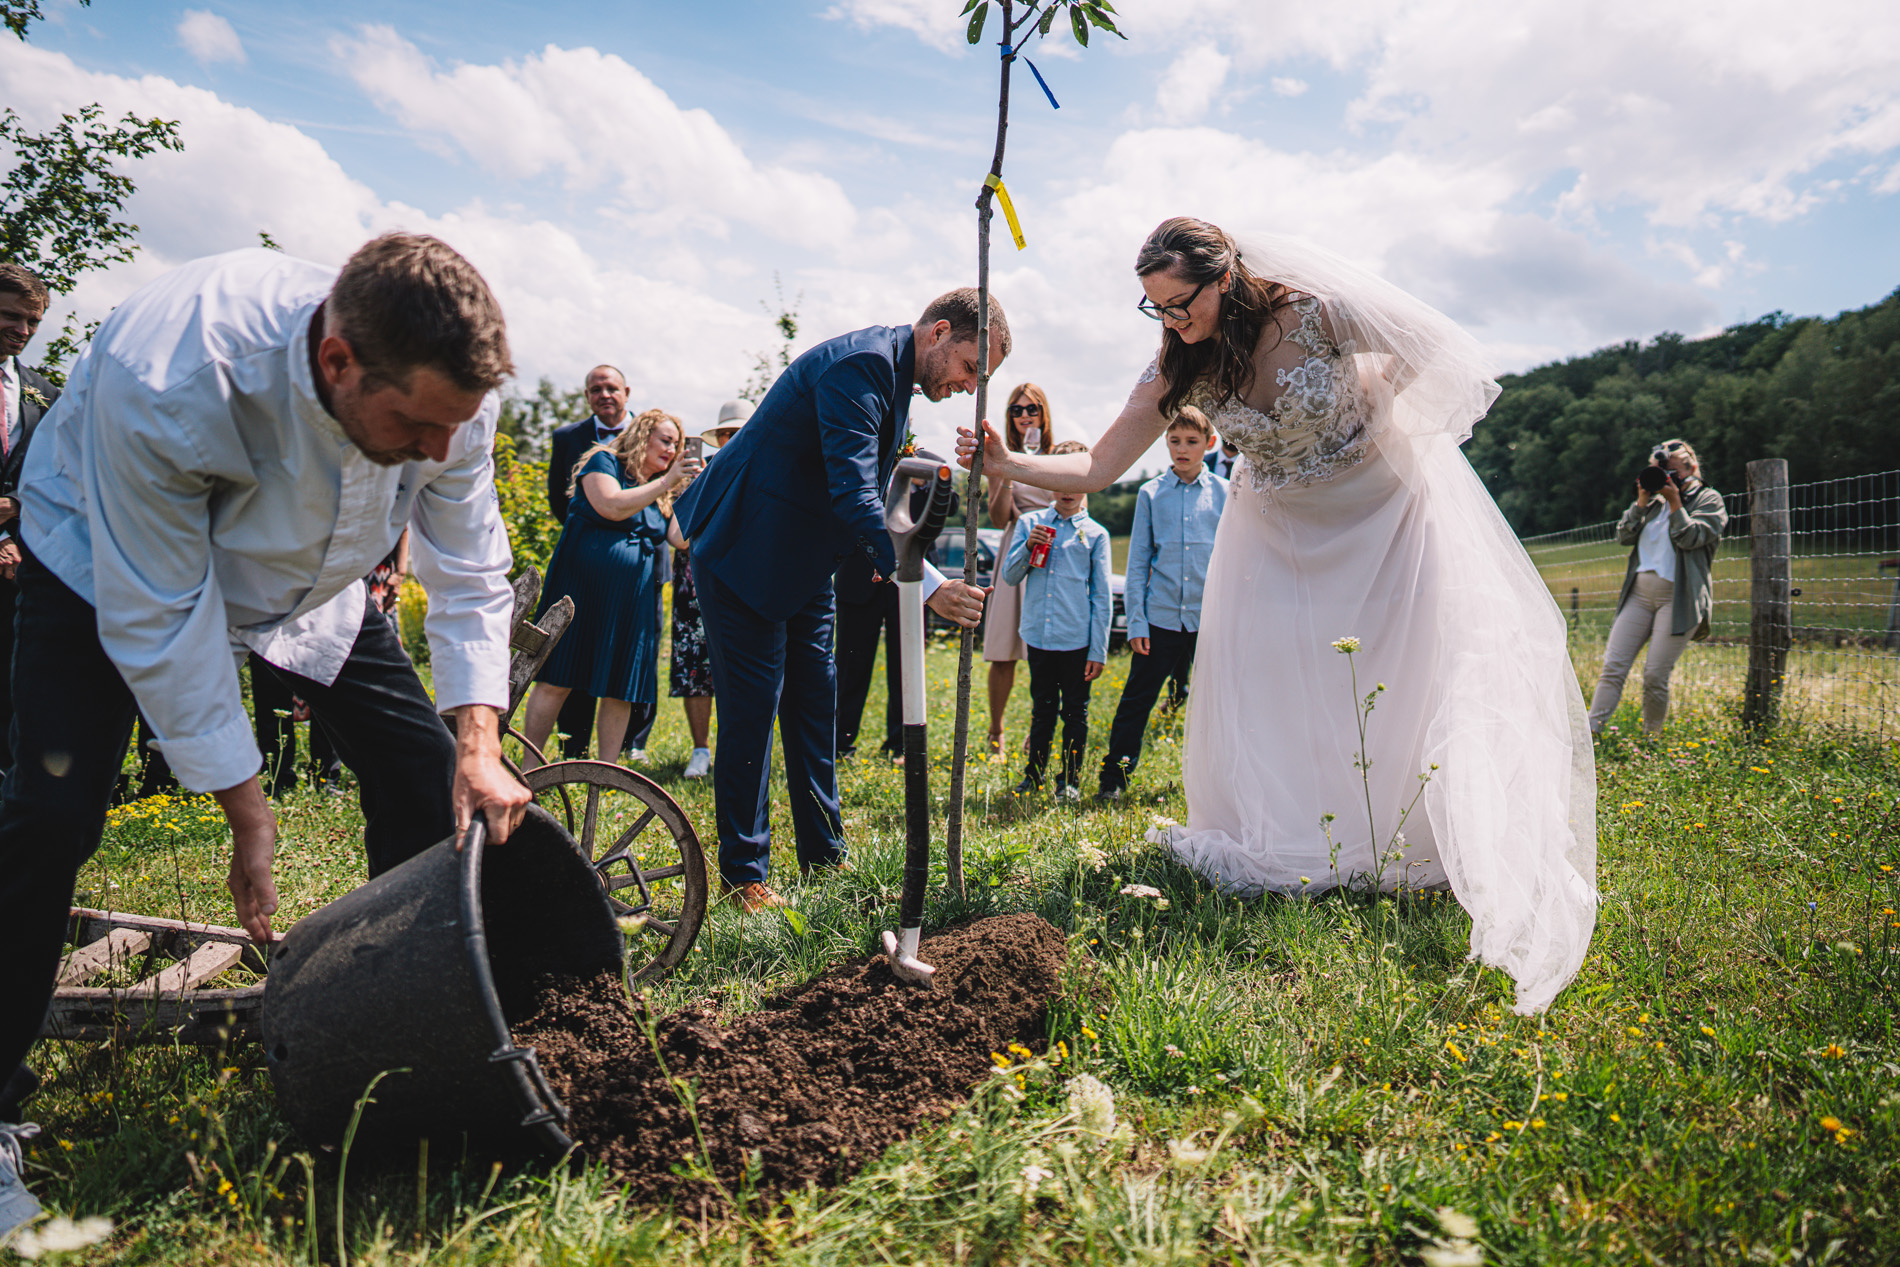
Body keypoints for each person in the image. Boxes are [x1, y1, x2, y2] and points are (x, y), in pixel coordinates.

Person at [0, 234, 531, 1235]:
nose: (435, 451)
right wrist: (249, 813)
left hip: (310, 584)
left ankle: (407, 1051)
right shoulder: (172, 376)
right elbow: (164, 612)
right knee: (50, 817)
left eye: (451, 429)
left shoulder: (450, 397)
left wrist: (478, 742)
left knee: (425, 776)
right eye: (414, 426)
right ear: (337, 360)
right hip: (102, 559)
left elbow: (468, 569)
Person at [959, 217, 1596, 1015]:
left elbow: (1437, 343)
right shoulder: (1178, 363)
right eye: (1156, 307)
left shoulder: (1316, 313)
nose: (1172, 320)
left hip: (1382, 511)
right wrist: (1005, 461)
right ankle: (1296, 833)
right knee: (1276, 681)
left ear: (1225, 277)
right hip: (1279, 532)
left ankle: (1408, 836)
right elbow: (1099, 463)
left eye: (1181, 302)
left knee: (1400, 672)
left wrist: (1377, 403)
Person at [673, 291, 993, 912]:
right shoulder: (863, 365)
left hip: (806, 560)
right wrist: (928, 587)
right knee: (752, 714)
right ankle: (745, 875)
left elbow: (872, 484)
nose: (967, 385)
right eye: (970, 367)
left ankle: (824, 855)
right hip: (746, 549)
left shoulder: (896, 376)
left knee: (816, 706)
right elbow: (854, 494)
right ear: (939, 333)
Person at [521, 409, 697, 762]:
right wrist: (666, 481)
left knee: (620, 687)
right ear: (642, 435)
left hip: (631, 601)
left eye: (676, 444)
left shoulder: (661, 489)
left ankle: (605, 773)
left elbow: (681, 539)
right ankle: (527, 770)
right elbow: (611, 506)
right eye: (666, 440)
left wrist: (695, 490)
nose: (671, 450)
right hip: (581, 590)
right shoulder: (603, 462)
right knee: (558, 677)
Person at [1098, 405, 1228, 801]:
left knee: (1217, 704)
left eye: (1191, 441)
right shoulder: (1150, 494)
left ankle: (1217, 784)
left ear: (1210, 443)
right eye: (1175, 441)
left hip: (1209, 619)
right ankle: (1114, 779)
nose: (1182, 449)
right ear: (1165, 442)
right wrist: (1137, 622)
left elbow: (1234, 559)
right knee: (1137, 699)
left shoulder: (1226, 493)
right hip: (1161, 618)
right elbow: (1138, 562)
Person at [544, 365, 655, 759]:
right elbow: (559, 498)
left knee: (631, 655)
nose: (604, 395)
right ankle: (573, 746)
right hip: (586, 560)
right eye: (595, 389)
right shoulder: (567, 438)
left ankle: (631, 745)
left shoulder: (652, 433)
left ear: (627, 391)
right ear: (586, 396)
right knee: (575, 653)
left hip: (641, 564)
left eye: (611, 388)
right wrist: (596, 534)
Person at [1587, 439, 1726, 734]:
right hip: (1638, 596)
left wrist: (1675, 502)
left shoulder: (1708, 499)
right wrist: (1641, 502)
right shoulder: (1651, 502)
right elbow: (1624, 536)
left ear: (1691, 467)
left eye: (1670, 471)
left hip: (1678, 599)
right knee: (1613, 668)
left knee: (1654, 675)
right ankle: (1591, 733)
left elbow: (1691, 538)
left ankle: (1651, 741)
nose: (1664, 478)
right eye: (1658, 471)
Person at [999, 440, 1111, 801]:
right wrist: (1027, 547)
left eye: (1076, 481)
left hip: (1077, 639)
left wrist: (1098, 650)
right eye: (1060, 480)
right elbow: (1010, 577)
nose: (1067, 490)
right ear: (1049, 482)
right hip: (1040, 636)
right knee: (1042, 709)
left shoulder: (1096, 534)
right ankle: (1033, 776)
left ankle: (1070, 781)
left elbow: (1101, 597)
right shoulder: (1030, 523)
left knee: (1075, 713)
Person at [671, 401, 752, 780]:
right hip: (695, 591)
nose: (731, 440)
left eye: (738, 433)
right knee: (695, 671)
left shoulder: (762, 472)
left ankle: (739, 750)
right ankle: (701, 748)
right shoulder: (698, 476)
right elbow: (678, 537)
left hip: (742, 585)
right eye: (725, 434)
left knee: (743, 672)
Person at [0, 265, 57, 775]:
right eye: (10, 316)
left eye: (32, 321)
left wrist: (17, 506)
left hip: (17, 565)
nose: (22, 330)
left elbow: (55, 474)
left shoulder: (44, 393)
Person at [981, 383, 1058, 757]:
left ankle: (1037, 731)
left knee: (1046, 653)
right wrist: (1007, 472)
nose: (1024, 415)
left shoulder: (1058, 456)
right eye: (1016, 410)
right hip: (1016, 546)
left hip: (1053, 550)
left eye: (1031, 408)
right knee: (1004, 650)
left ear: (1044, 413)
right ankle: (996, 731)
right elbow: (998, 519)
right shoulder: (999, 457)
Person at [833, 551, 902, 761]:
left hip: (912, 571)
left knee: (907, 670)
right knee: (849, 669)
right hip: (857, 570)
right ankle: (838, 745)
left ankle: (903, 745)